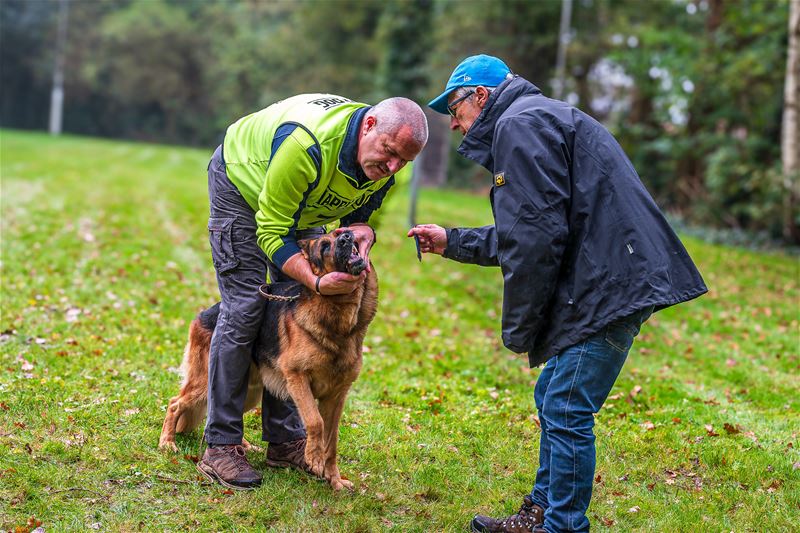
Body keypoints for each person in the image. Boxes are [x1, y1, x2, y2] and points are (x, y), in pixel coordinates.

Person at [408, 55, 706, 532]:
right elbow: (534, 227)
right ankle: (542, 513)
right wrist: (453, 240)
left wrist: (520, 328)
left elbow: (535, 239)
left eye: (456, 110)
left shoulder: (520, 126)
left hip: (608, 283)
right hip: (609, 274)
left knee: (567, 404)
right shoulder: (537, 117)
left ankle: (562, 526)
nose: (457, 124)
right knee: (555, 395)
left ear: (480, 97)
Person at [199, 94, 428, 490]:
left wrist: (364, 232)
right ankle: (221, 444)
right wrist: (318, 281)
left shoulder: (393, 163)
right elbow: (271, 230)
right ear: (370, 127)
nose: (393, 168)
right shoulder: (305, 146)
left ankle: (285, 441)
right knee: (248, 306)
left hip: (305, 203)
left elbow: (359, 218)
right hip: (244, 186)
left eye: (403, 162)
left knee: (293, 311)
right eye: (390, 154)